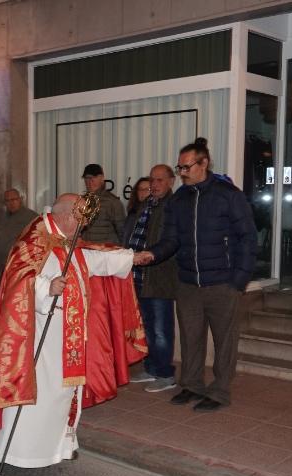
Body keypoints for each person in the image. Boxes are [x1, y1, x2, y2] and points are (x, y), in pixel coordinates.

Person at [0, 193, 146, 468]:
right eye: (80, 219)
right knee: (41, 395)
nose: (83, 226)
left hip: (69, 334)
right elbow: (20, 282)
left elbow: (91, 260)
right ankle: (23, 452)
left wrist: (130, 258)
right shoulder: (35, 240)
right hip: (41, 335)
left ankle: (60, 446)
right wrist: (46, 289)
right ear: (65, 216)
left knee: (66, 394)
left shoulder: (67, 240)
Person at [135, 137, 257, 412]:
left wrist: (238, 280)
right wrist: (151, 254)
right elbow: (171, 238)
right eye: (180, 168)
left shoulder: (228, 194)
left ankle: (220, 390)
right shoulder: (179, 199)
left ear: (204, 163)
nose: (182, 173)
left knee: (224, 341)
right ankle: (191, 384)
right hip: (188, 283)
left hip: (222, 283)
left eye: (186, 167)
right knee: (190, 337)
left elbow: (248, 238)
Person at [123, 169, 179, 393]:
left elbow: (172, 241)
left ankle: (166, 374)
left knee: (160, 329)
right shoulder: (147, 204)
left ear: (171, 182)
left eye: (159, 180)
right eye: (152, 180)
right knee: (145, 326)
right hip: (138, 275)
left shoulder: (173, 206)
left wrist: (151, 254)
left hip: (159, 276)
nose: (154, 184)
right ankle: (152, 367)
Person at [79, 163, 126, 244]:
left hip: (106, 252)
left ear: (102, 178)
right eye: (87, 178)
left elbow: (122, 232)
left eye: (94, 177)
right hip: (86, 251)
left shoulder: (113, 202)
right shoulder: (81, 201)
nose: (90, 181)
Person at [0, 188, 38, 266]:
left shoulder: (31, 217)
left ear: (20, 200)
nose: (11, 203)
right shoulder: (1, 217)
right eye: (7, 201)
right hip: (4, 262)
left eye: (14, 199)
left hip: (22, 262)